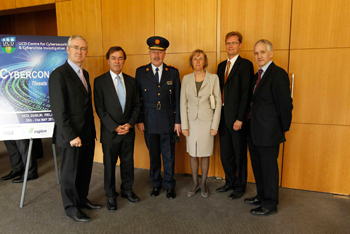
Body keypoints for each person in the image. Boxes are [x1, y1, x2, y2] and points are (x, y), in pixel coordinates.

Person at [49, 35, 101, 222]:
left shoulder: (84, 74)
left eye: (83, 48)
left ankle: (82, 199)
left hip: (86, 134)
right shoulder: (59, 74)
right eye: (76, 47)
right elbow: (59, 109)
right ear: (68, 49)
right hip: (71, 136)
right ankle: (71, 208)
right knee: (70, 173)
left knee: (84, 170)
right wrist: (71, 135)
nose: (80, 51)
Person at [245, 39, 293, 216]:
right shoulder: (257, 75)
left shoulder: (277, 73)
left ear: (271, 53)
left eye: (262, 52)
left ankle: (270, 203)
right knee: (258, 167)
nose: (259, 56)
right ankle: (262, 196)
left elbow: (285, 105)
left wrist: (281, 129)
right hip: (255, 131)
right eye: (256, 53)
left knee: (269, 169)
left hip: (270, 132)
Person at [94, 46, 141, 212]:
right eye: (114, 58)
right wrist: (115, 127)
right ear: (108, 60)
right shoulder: (99, 81)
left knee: (128, 163)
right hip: (110, 133)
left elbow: (137, 106)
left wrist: (129, 123)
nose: (117, 61)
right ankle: (111, 196)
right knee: (109, 165)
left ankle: (127, 190)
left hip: (128, 131)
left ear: (124, 60)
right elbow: (100, 109)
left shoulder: (131, 81)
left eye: (120, 58)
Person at [135, 36, 181, 199]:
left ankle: (169, 185)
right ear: (149, 53)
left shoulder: (173, 72)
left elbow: (177, 99)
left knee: (169, 155)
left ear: (165, 54)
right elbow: (137, 99)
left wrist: (178, 121)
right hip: (148, 121)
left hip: (168, 121)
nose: (156, 55)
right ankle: (156, 184)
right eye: (153, 52)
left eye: (159, 52)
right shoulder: (141, 72)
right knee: (154, 155)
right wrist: (139, 120)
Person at [216, 31, 254, 199]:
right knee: (226, 153)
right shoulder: (220, 65)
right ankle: (229, 182)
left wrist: (240, 118)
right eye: (227, 43)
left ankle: (240, 186)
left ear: (240, 45)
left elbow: (246, 94)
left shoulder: (246, 65)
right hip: (222, 116)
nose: (230, 46)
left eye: (233, 43)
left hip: (237, 118)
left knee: (239, 153)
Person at [180, 49, 221, 198]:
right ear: (191, 62)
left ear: (205, 62)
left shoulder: (213, 78)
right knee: (192, 154)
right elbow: (182, 103)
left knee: (204, 154)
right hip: (191, 122)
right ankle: (195, 183)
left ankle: (203, 184)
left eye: (200, 58)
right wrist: (184, 125)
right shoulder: (186, 79)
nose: (197, 61)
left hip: (207, 122)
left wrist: (214, 126)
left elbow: (218, 102)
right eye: (195, 58)